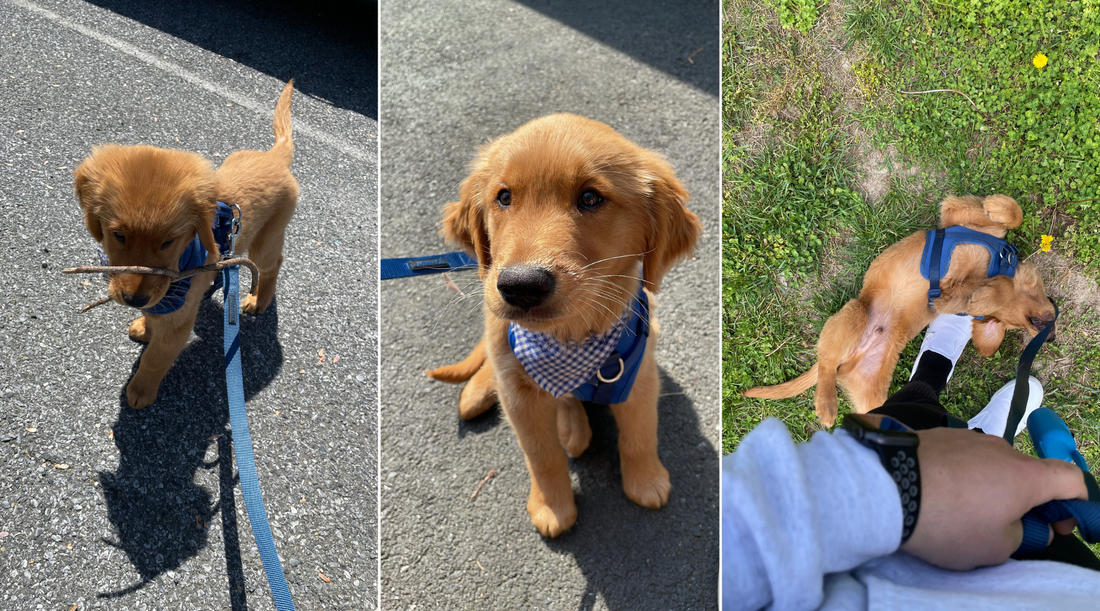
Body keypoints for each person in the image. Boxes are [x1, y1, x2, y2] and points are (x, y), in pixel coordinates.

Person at [723, 315, 1100, 610]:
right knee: (1022, 513)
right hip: (1062, 574)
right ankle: (982, 436)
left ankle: (933, 375)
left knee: (912, 413)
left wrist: (901, 486)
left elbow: (724, 547)